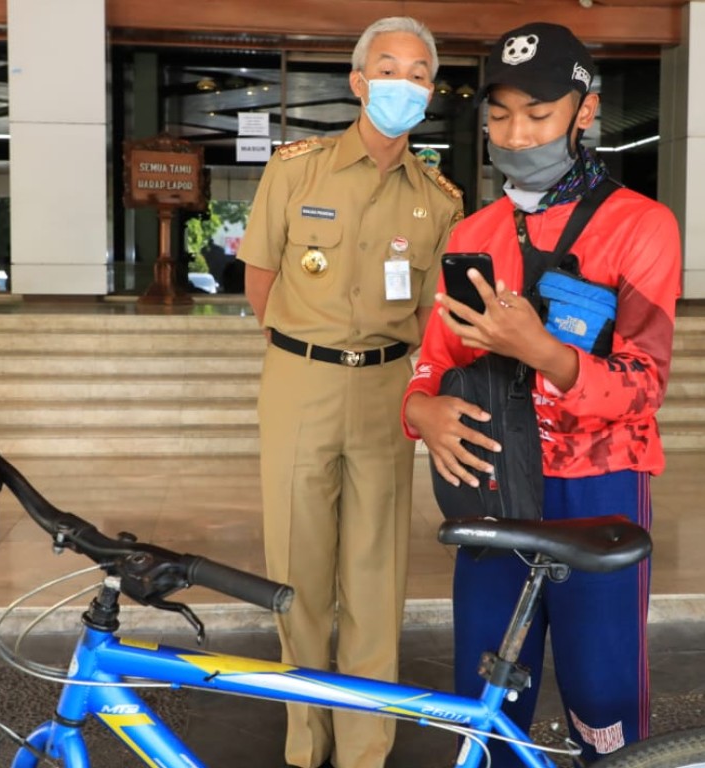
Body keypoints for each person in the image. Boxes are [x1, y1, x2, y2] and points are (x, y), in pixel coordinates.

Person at [402, 21, 681, 766]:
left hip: (601, 490)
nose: (516, 133)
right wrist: (420, 411)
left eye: (538, 113)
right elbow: (432, 365)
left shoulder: (642, 227)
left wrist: (546, 354)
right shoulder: (475, 231)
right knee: (487, 698)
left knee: (603, 697)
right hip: (494, 484)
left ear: (585, 111)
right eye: (499, 115)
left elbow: (644, 386)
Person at [237, 16, 464, 768]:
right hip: (300, 380)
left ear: (432, 91)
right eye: (389, 70)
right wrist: (306, 348)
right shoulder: (296, 169)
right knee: (297, 574)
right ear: (359, 83)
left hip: (386, 390)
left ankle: (367, 749)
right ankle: (307, 745)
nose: (404, 85)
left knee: (375, 577)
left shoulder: (439, 197)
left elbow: (436, 314)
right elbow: (260, 280)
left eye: (420, 73)